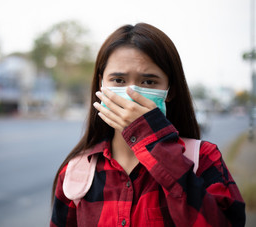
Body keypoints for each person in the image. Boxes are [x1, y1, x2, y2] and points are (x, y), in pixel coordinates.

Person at [50, 23, 245, 227]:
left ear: (170, 90)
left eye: (149, 82)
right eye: (118, 80)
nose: (131, 93)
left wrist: (152, 139)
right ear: (101, 84)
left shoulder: (203, 159)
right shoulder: (76, 172)